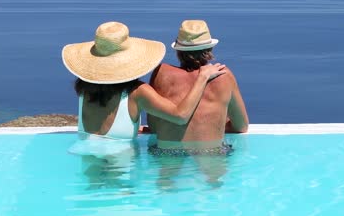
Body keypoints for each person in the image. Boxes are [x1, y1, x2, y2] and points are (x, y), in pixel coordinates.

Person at [61, 21, 226, 144]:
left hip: (85, 156)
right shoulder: (138, 92)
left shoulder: (85, 90)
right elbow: (180, 116)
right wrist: (202, 78)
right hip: (120, 167)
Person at [148, 20, 249, 156]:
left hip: (167, 152)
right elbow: (241, 127)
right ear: (209, 50)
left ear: (178, 50)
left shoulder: (161, 73)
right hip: (212, 153)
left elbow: (154, 127)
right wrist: (212, 124)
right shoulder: (224, 76)